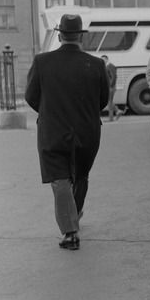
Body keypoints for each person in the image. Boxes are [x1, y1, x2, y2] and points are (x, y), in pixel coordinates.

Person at [25, 14, 109, 250]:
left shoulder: (42, 62)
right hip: (87, 131)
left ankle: (71, 233)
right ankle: (76, 212)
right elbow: (102, 100)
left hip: (53, 130)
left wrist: (50, 112)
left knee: (60, 179)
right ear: (80, 36)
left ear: (60, 35)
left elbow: (31, 96)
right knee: (80, 175)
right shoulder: (96, 64)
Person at [101, 55, 118, 121]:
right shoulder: (106, 66)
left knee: (109, 102)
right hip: (110, 87)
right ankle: (118, 111)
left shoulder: (110, 66)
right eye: (102, 59)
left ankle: (111, 118)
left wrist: (110, 86)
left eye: (104, 59)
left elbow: (113, 76)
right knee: (110, 102)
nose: (103, 60)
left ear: (107, 59)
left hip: (111, 87)